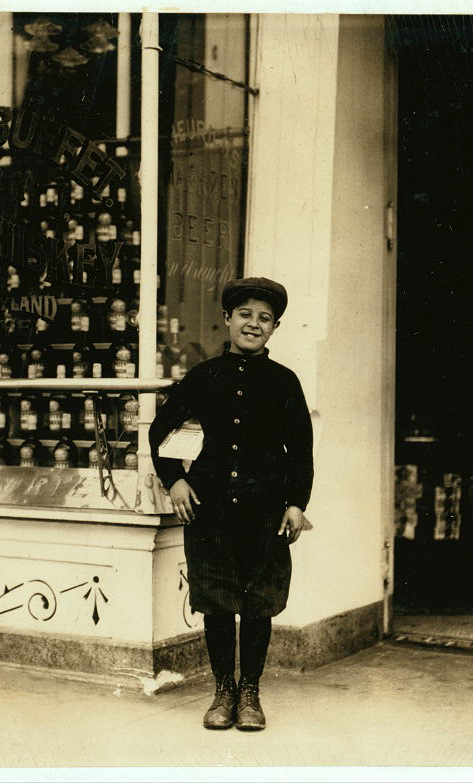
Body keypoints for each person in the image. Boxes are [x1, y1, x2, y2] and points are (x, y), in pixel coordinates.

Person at [149, 276, 314, 732]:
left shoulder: (285, 383)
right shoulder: (204, 377)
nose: (253, 324)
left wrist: (296, 504)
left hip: (265, 514)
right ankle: (223, 689)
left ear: (275, 327)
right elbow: (159, 431)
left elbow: (301, 452)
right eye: (245, 315)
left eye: (265, 318)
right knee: (217, 602)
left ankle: (250, 692)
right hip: (211, 512)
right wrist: (175, 482)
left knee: (259, 602)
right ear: (228, 319)